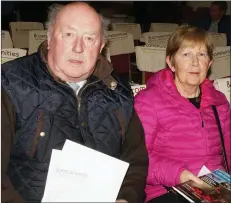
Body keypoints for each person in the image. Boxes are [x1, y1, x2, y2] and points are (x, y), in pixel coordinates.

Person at [1, 2, 148, 203]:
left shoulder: (118, 91)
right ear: (50, 38)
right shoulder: (10, 83)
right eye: (68, 35)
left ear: (101, 46)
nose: (78, 48)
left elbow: (136, 160)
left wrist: (126, 198)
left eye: (89, 38)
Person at [134, 25, 230, 202]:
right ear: (171, 62)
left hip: (217, 188)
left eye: (202, 55)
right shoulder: (149, 101)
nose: (195, 62)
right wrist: (178, 174)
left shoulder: (219, 101)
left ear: (209, 64)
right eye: (186, 54)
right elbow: (138, 159)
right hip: (168, 189)